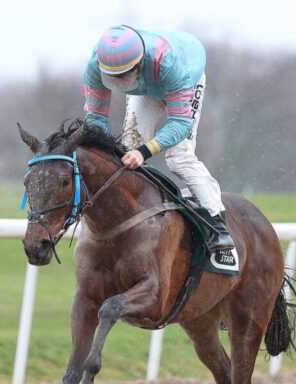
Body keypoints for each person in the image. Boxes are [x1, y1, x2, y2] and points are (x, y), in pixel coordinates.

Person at [82, 25, 235, 252]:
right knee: (126, 150)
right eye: (114, 78)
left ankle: (217, 224)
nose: (120, 82)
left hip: (184, 79)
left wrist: (144, 152)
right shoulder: (95, 65)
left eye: (124, 76)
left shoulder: (170, 65)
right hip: (146, 87)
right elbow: (95, 118)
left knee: (178, 157)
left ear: (139, 64)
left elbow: (181, 125)